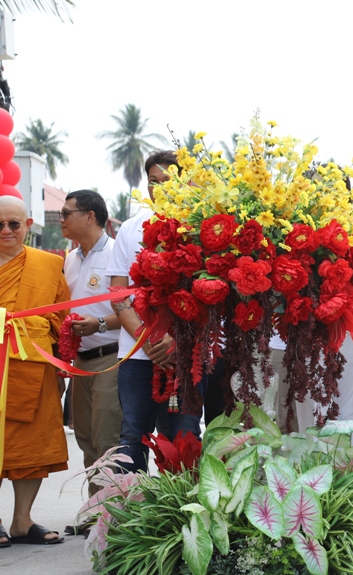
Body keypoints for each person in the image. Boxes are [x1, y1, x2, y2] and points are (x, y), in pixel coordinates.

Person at [109, 150, 204, 473]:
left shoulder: (203, 229)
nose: (159, 188)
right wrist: (146, 339)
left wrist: (177, 340)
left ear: (185, 183)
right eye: (153, 182)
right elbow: (119, 296)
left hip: (187, 354)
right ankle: (133, 516)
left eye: (168, 180)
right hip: (136, 355)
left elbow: (213, 301)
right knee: (133, 435)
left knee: (183, 435)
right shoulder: (130, 229)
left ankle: (180, 516)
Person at [0, 195, 70, 546]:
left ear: (28, 225)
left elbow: (62, 316)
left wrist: (40, 329)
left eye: (14, 224)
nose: (6, 231)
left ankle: (22, 521)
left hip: (34, 367)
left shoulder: (47, 264)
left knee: (32, 447)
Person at [61, 190, 123, 508]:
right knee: (85, 436)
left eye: (66, 213)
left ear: (90, 216)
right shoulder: (69, 259)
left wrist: (98, 325)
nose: (61, 220)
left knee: (106, 437)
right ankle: (96, 507)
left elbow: (133, 309)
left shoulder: (117, 255)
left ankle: (111, 513)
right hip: (79, 362)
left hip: (110, 357)